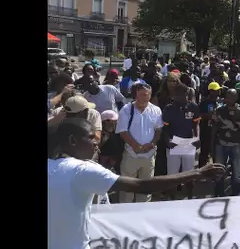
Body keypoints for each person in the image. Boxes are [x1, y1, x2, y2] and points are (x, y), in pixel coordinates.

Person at [48, 118, 225, 249]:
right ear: (72, 141)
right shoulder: (83, 170)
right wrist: (197, 172)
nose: (96, 143)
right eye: (90, 138)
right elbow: (142, 186)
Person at [115, 83, 163, 203]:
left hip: (149, 155)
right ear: (136, 94)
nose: (144, 97)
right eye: (141, 94)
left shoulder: (156, 110)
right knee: (127, 188)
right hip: (131, 154)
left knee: (146, 188)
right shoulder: (126, 110)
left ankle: (143, 212)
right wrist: (137, 146)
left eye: (147, 94)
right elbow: (123, 131)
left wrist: (152, 144)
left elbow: (158, 130)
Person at [162, 80, 201, 200]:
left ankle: (189, 198)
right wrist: (167, 140)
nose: (177, 97)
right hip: (174, 144)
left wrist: (197, 137)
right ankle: (172, 199)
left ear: (186, 94)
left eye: (180, 94)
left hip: (188, 144)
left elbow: (196, 124)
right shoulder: (169, 108)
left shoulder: (193, 107)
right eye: (175, 94)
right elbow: (165, 128)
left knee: (189, 175)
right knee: (172, 177)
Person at [212, 89, 240, 196]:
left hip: (236, 144)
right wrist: (212, 146)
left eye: (232, 96)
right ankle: (218, 194)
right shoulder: (219, 110)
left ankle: (235, 194)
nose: (230, 99)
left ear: (236, 98)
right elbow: (214, 128)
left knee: (236, 172)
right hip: (221, 144)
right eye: (228, 96)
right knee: (219, 171)